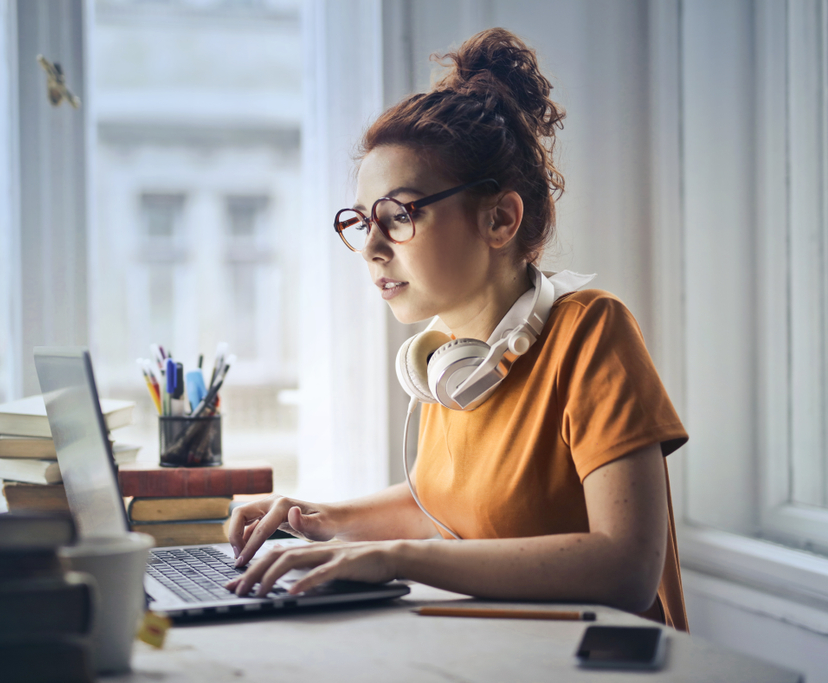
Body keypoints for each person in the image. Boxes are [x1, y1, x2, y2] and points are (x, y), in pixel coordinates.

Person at [224, 27, 689, 631]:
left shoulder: (593, 332)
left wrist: (394, 556)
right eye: (362, 221)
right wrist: (318, 518)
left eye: (399, 216)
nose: (370, 247)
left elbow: (626, 568)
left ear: (499, 218)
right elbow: (441, 506)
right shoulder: (452, 364)